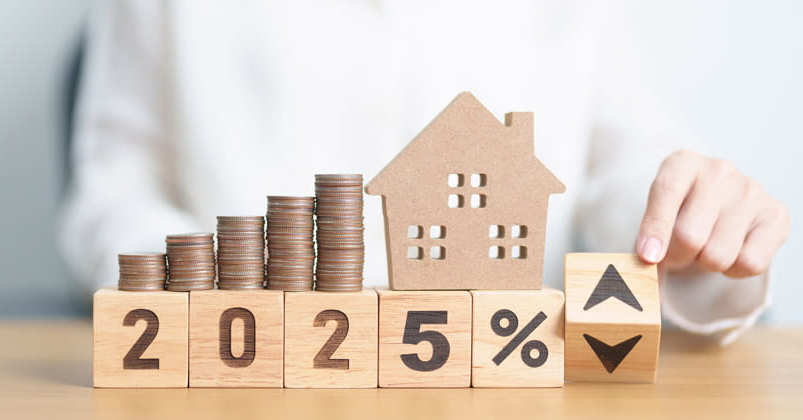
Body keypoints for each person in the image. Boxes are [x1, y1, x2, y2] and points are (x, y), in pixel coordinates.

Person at [60, 1, 790, 344]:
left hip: (512, 396)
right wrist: (203, 300)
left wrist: (684, 220)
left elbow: (625, 161)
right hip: (239, 388)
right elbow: (115, 183)